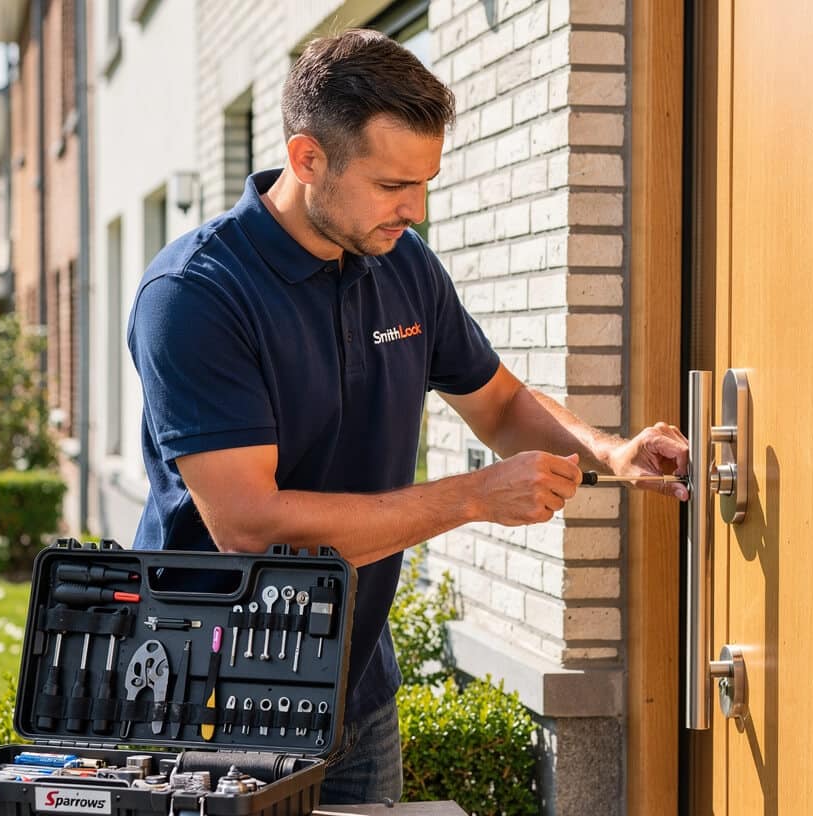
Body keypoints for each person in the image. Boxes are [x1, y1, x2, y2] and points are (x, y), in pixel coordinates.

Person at [127, 28, 689, 805]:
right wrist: (470, 498)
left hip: (355, 683)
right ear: (307, 158)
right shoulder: (195, 295)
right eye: (393, 184)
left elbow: (500, 403)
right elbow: (250, 526)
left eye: (425, 181)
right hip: (212, 697)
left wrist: (611, 452)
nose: (415, 209)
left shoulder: (402, 263)